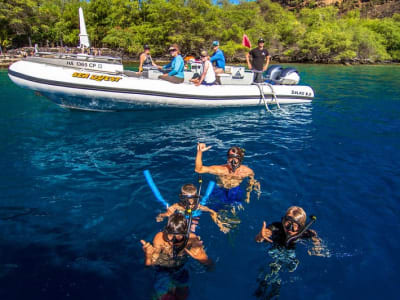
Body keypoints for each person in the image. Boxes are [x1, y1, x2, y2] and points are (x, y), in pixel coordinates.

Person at [254, 206, 327, 299]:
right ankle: (265, 288)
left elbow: (314, 235)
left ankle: (274, 291)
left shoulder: (304, 233)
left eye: (295, 225)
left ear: (301, 227)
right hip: (275, 251)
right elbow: (264, 234)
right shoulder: (276, 227)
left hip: (290, 255)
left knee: (285, 269)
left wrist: (317, 245)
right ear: (283, 220)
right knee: (270, 271)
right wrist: (260, 236)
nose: (290, 228)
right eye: (287, 222)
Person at [141, 213, 212, 300]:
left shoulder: (192, 240)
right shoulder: (160, 238)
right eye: (169, 236)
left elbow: (211, 267)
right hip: (162, 270)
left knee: (182, 296)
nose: (172, 242)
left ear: (185, 235)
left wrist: (201, 259)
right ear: (166, 231)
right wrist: (148, 256)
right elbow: (149, 266)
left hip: (181, 269)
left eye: (178, 238)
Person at [195, 143, 260, 206]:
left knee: (236, 207)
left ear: (240, 159)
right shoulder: (221, 170)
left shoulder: (247, 171)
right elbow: (198, 170)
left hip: (235, 189)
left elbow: (251, 180)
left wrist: (248, 194)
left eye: (236, 158)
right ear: (227, 159)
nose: (233, 162)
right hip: (220, 189)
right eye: (230, 158)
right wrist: (199, 152)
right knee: (216, 208)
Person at [156, 183, 229, 233]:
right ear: (182, 198)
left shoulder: (198, 206)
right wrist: (161, 216)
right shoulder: (177, 206)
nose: (190, 203)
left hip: (195, 216)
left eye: (192, 200)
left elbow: (212, 212)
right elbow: (167, 214)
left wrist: (220, 224)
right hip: (182, 219)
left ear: (195, 198)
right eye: (187, 200)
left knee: (192, 230)